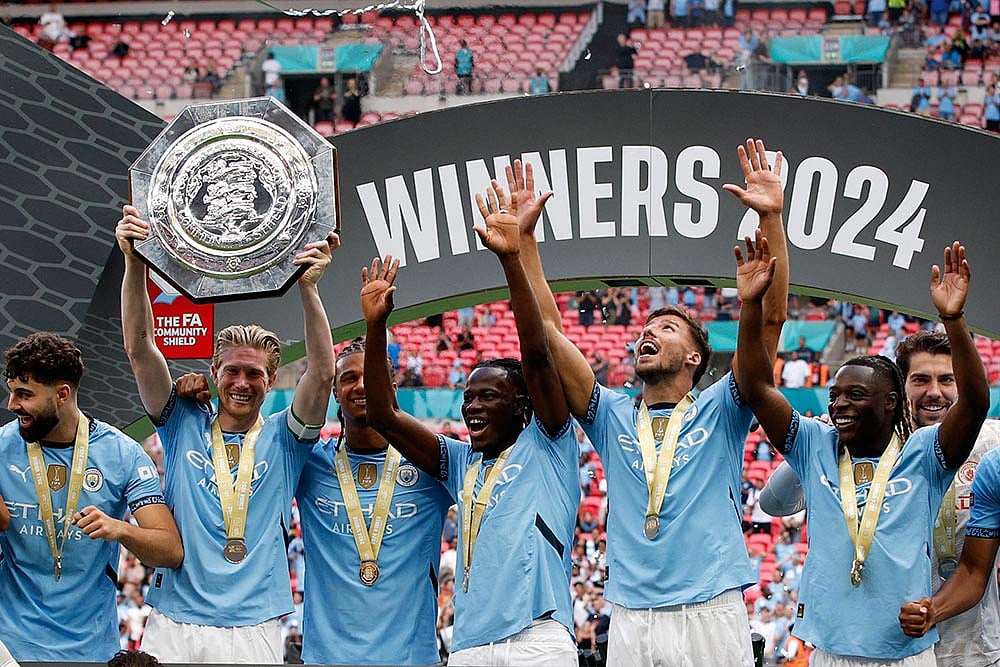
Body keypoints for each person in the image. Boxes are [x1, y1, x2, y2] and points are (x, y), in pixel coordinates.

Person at [515, 138, 789, 665]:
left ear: (694, 358)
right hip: (630, 614)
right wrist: (525, 241)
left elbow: (770, 323)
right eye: (645, 328)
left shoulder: (723, 407)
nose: (648, 332)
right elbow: (548, 331)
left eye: (665, 328)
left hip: (710, 606)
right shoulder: (609, 413)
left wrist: (771, 218)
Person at [735, 237, 987, 665]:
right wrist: (751, 306)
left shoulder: (925, 453)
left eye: (855, 395)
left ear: (890, 402)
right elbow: (757, 388)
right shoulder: (815, 444)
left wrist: (953, 319)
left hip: (904, 653)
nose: (839, 405)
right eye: (835, 395)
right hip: (830, 651)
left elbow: (975, 403)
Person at [360, 179, 579, 663]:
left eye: (489, 397)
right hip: (469, 645)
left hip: (538, 640)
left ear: (521, 406)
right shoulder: (460, 462)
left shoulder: (549, 441)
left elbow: (538, 356)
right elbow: (383, 415)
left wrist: (511, 259)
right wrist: (376, 328)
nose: (472, 406)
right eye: (468, 397)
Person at [115, 205, 338, 663]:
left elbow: (321, 373)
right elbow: (140, 348)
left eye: (254, 374)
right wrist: (134, 263)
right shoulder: (182, 420)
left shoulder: (286, 439)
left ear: (271, 381)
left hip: (251, 626)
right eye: (232, 370)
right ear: (214, 371)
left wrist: (310, 289)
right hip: (173, 619)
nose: (242, 382)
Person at [0, 333, 182, 662]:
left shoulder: (123, 454)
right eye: (12, 392)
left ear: (62, 394)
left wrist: (120, 529)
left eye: (25, 394)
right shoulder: (1, 447)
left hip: (91, 651)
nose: (12, 405)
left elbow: (170, 550)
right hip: (10, 649)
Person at [291, 339, 453, 665]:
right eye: (349, 378)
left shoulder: (433, 463)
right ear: (335, 392)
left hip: (412, 659)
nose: (361, 385)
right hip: (327, 658)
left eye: (372, 376)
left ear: (392, 387)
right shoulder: (307, 464)